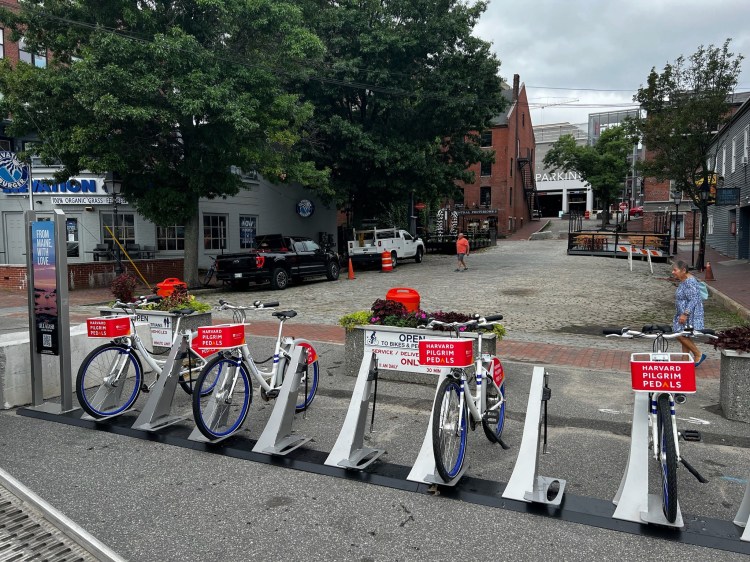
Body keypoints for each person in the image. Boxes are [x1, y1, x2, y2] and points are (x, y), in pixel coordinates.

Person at [671, 260, 706, 366]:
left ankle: (698, 354)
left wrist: (685, 314)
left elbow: (694, 299)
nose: (673, 272)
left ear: (684, 270)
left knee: (679, 334)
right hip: (683, 313)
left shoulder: (690, 282)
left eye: (675, 270)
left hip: (690, 314)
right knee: (684, 335)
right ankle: (685, 359)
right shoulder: (683, 280)